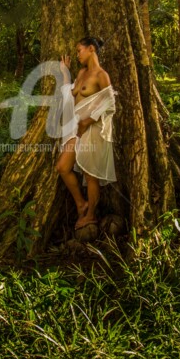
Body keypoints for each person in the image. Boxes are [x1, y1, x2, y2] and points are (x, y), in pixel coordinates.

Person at [56, 37, 117, 230]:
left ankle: (90, 215)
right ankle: (81, 204)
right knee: (63, 167)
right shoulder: (82, 72)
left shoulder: (101, 75)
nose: (77, 54)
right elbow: (72, 93)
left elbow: (110, 103)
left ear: (91, 49)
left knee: (91, 176)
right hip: (77, 129)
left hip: (92, 129)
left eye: (79, 50)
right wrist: (65, 74)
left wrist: (88, 121)